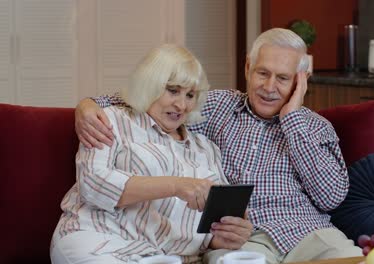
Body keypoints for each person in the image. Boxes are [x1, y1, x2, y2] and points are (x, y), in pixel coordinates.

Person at [75, 28, 362, 263]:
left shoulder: (314, 127)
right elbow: (148, 97)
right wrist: (86, 107)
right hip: (243, 239)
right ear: (248, 67)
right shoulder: (216, 105)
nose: (269, 86)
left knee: (356, 260)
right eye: (263, 73)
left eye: (283, 78)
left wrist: (292, 119)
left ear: (301, 82)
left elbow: (330, 198)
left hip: (308, 233)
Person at [51, 44, 253, 264]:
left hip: (163, 257)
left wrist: (223, 236)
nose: (182, 104)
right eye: (173, 90)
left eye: (190, 95)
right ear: (150, 85)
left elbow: (209, 222)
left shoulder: (205, 149)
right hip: (99, 241)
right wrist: (176, 185)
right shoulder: (112, 121)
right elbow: (93, 184)